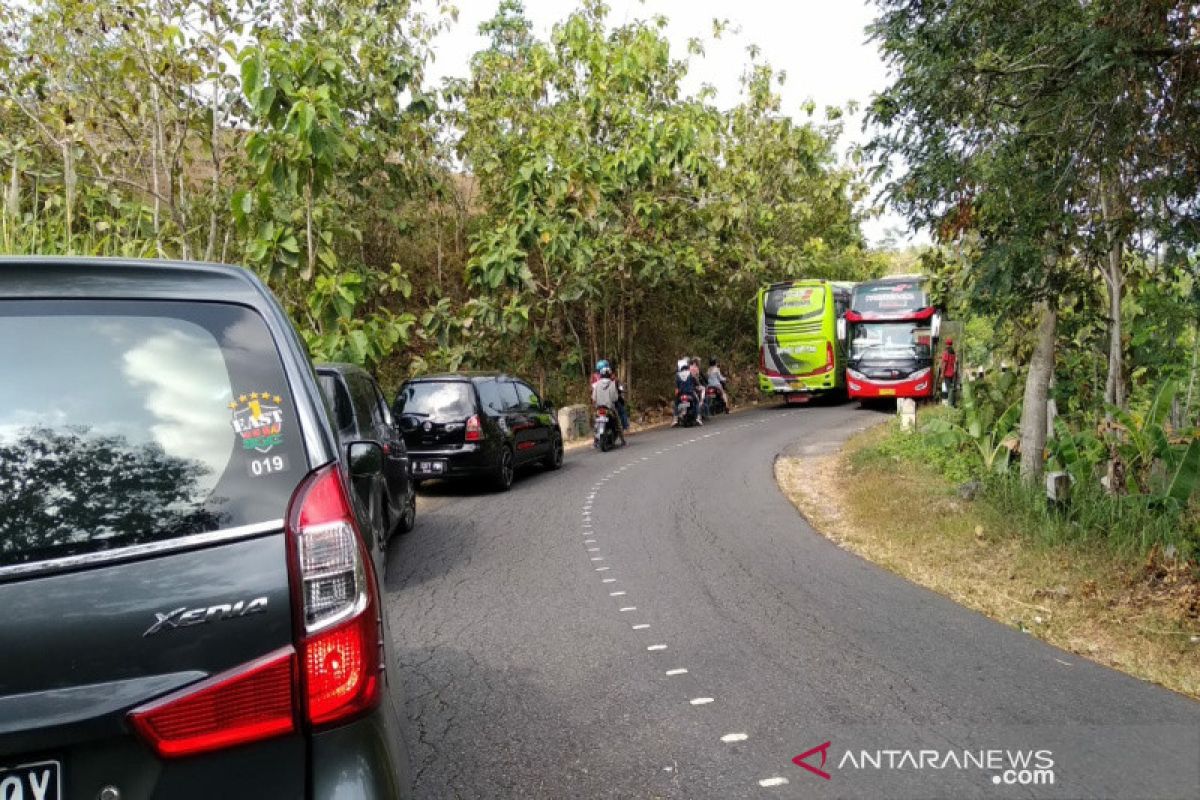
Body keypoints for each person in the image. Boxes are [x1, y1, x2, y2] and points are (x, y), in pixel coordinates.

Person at [591, 365, 624, 445]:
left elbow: (593, 397)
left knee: (596, 422)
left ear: (601, 375)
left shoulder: (596, 384)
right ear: (609, 374)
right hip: (609, 409)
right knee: (617, 422)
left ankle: (595, 440)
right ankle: (622, 440)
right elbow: (615, 398)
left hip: (599, 409)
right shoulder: (612, 384)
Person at [939, 339, 959, 406]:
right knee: (952, 388)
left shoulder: (946, 352)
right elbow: (955, 362)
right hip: (953, 372)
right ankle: (953, 403)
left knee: (949, 389)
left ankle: (950, 404)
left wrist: (942, 373)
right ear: (951, 344)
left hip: (947, 373)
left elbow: (944, 363)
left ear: (946, 344)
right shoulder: (953, 352)